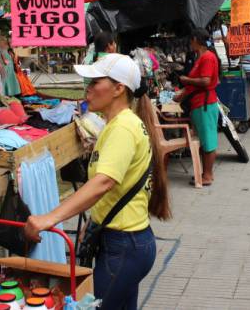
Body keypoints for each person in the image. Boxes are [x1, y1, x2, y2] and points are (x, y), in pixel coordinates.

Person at [24, 54, 170, 310]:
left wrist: (50, 218)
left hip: (124, 246)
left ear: (118, 89)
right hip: (126, 242)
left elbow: (103, 183)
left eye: (94, 82)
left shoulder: (123, 128)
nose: (87, 89)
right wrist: (94, 223)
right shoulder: (119, 124)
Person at [175, 29, 220, 185]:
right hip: (199, 103)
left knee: (208, 141)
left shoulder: (207, 57)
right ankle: (205, 173)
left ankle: (207, 175)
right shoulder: (201, 58)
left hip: (205, 104)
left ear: (195, 39)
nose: (190, 43)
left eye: (191, 40)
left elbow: (206, 81)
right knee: (204, 140)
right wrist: (183, 93)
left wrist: (186, 80)